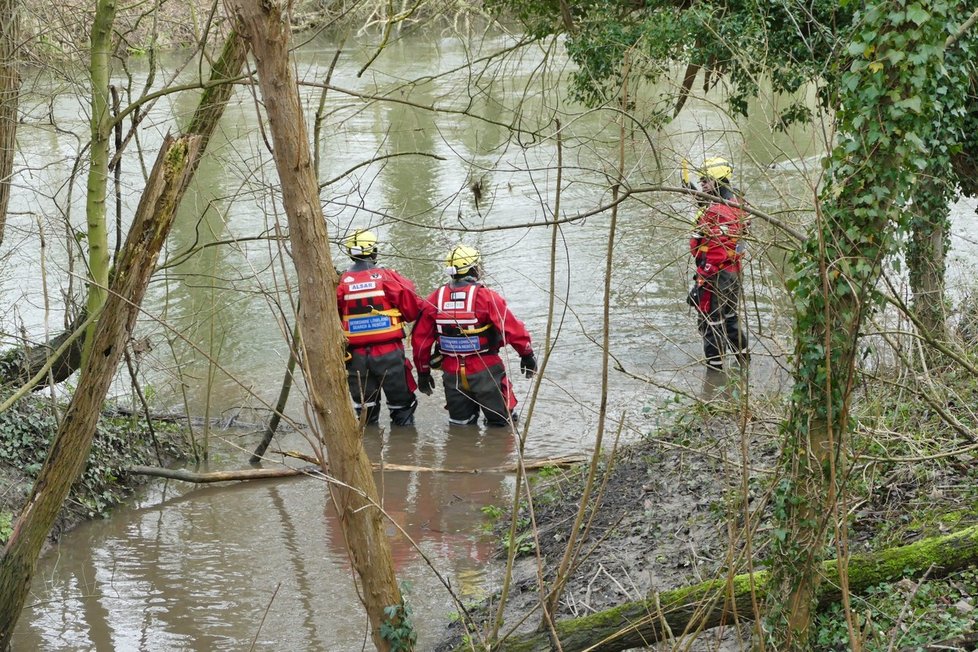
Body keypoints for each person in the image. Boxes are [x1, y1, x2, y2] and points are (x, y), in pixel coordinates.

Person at [412, 245, 537, 427]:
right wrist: (527, 354)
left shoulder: (434, 299)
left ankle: (464, 452)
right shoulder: (486, 297)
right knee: (501, 424)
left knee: (460, 425)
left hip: (452, 373)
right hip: (485, 369)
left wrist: (423, 372)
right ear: (472, 269)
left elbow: (420, 342)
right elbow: (511, 328)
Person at [337, 229, 422, 426]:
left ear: (350, 253)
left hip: (354, 357)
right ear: (374, 252)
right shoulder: (387, 277)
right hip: (389, 353)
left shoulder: (339, 283)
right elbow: (411, 310)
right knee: (402, 409)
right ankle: (404, 452)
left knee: (365, 415)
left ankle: (369, 451)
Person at [682, 157, 750, 371]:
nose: (702, 184)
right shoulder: (736, 202)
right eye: (701, 180)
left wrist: (700, 282)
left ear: (718, 181)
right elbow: (705, 204)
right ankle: (744, 367)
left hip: (717, 275)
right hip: (732, 273)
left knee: (711, 323)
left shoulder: (717, 212)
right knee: (730, 319)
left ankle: (714, 379)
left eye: (706, 180)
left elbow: (717, 252)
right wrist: (688, 186)